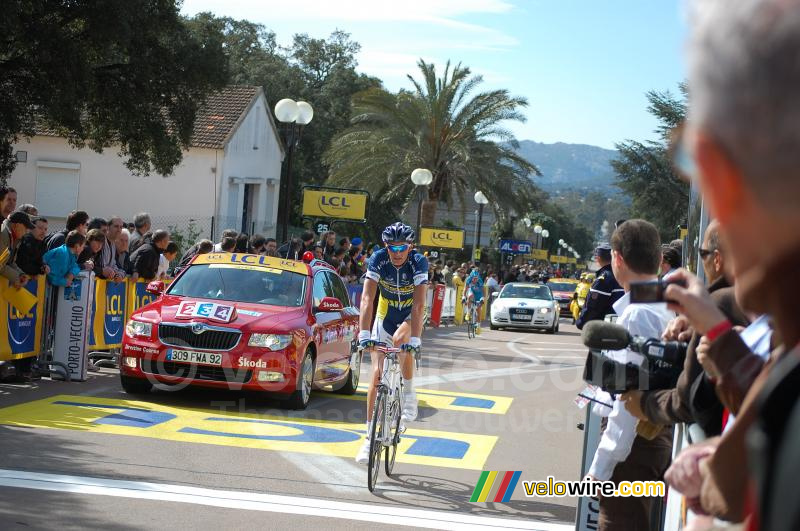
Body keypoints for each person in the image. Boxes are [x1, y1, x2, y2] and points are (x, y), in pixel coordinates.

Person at [585, 220, 676, 531]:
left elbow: (628, 402)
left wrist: (600, 468)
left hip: (634, 450)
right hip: (647, 441)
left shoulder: (639, 313)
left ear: (617, 258)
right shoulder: (660, 303)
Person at [355, 222, 428, 464]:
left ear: (410, 246)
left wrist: (415, 339)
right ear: (385, 246)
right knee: (376, 374)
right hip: (385, 313)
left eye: (402, 247)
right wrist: (363, 334)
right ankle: (367, 438)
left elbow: (418, 305)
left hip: (410, 314)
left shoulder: (418, 262)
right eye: (392, 247)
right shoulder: (378, 259)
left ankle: (408, 391)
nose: (397, 253)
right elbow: (367, 298)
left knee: (400, 341)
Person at [575, 244, 624, 329]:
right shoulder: (622, 275)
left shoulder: (603, 279)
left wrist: (581, 322)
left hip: (604, 328)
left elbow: (593, 307)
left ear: (598, 258)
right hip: (622, 325)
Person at [0, 211, 35, 288]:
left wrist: (21, 274)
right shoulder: (3, 234)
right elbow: (1, 265)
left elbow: (10, 262)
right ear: (17, 225)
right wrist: (16, 277)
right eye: (26, 228)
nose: (26, 232)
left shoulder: (15, 238)